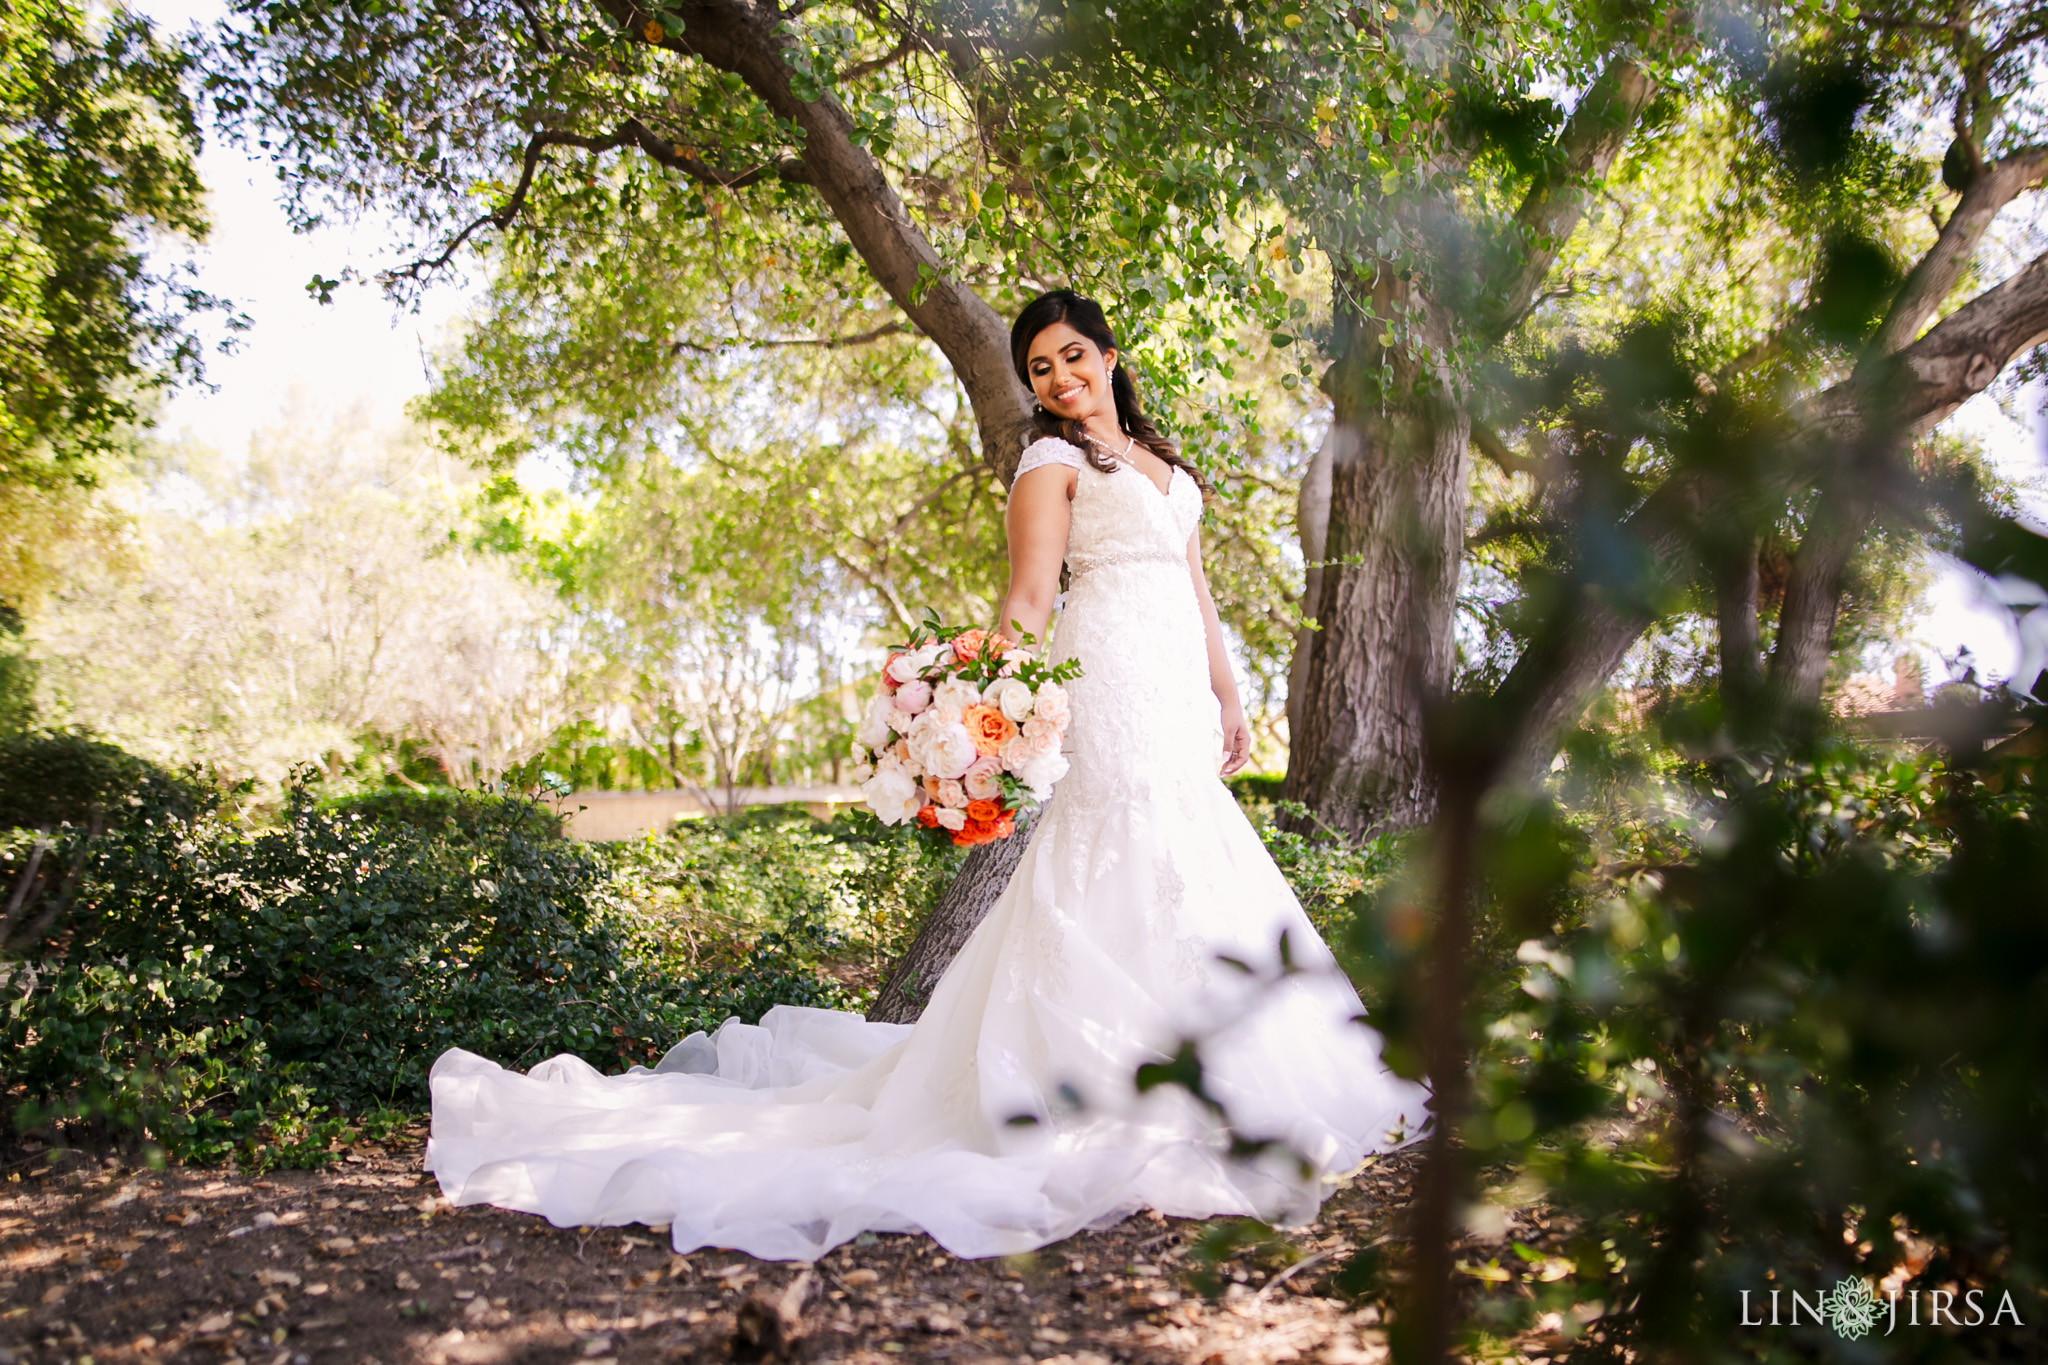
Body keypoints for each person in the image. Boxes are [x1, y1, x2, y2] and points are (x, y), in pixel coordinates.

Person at [424, 290, 1429, 1261]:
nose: (1061, 376)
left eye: (1073, 355)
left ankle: (1222, 1068)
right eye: (1040, 367)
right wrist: (996, 711)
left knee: (1190, 845)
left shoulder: (1162, 459)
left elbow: (1196, 587)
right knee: (1120, 838)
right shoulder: (1046, 459)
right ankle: (1106, 1083)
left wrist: (1229, 693)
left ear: (1108, 356)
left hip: (1173, 678)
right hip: (1108, 674)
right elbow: (1029, 596)